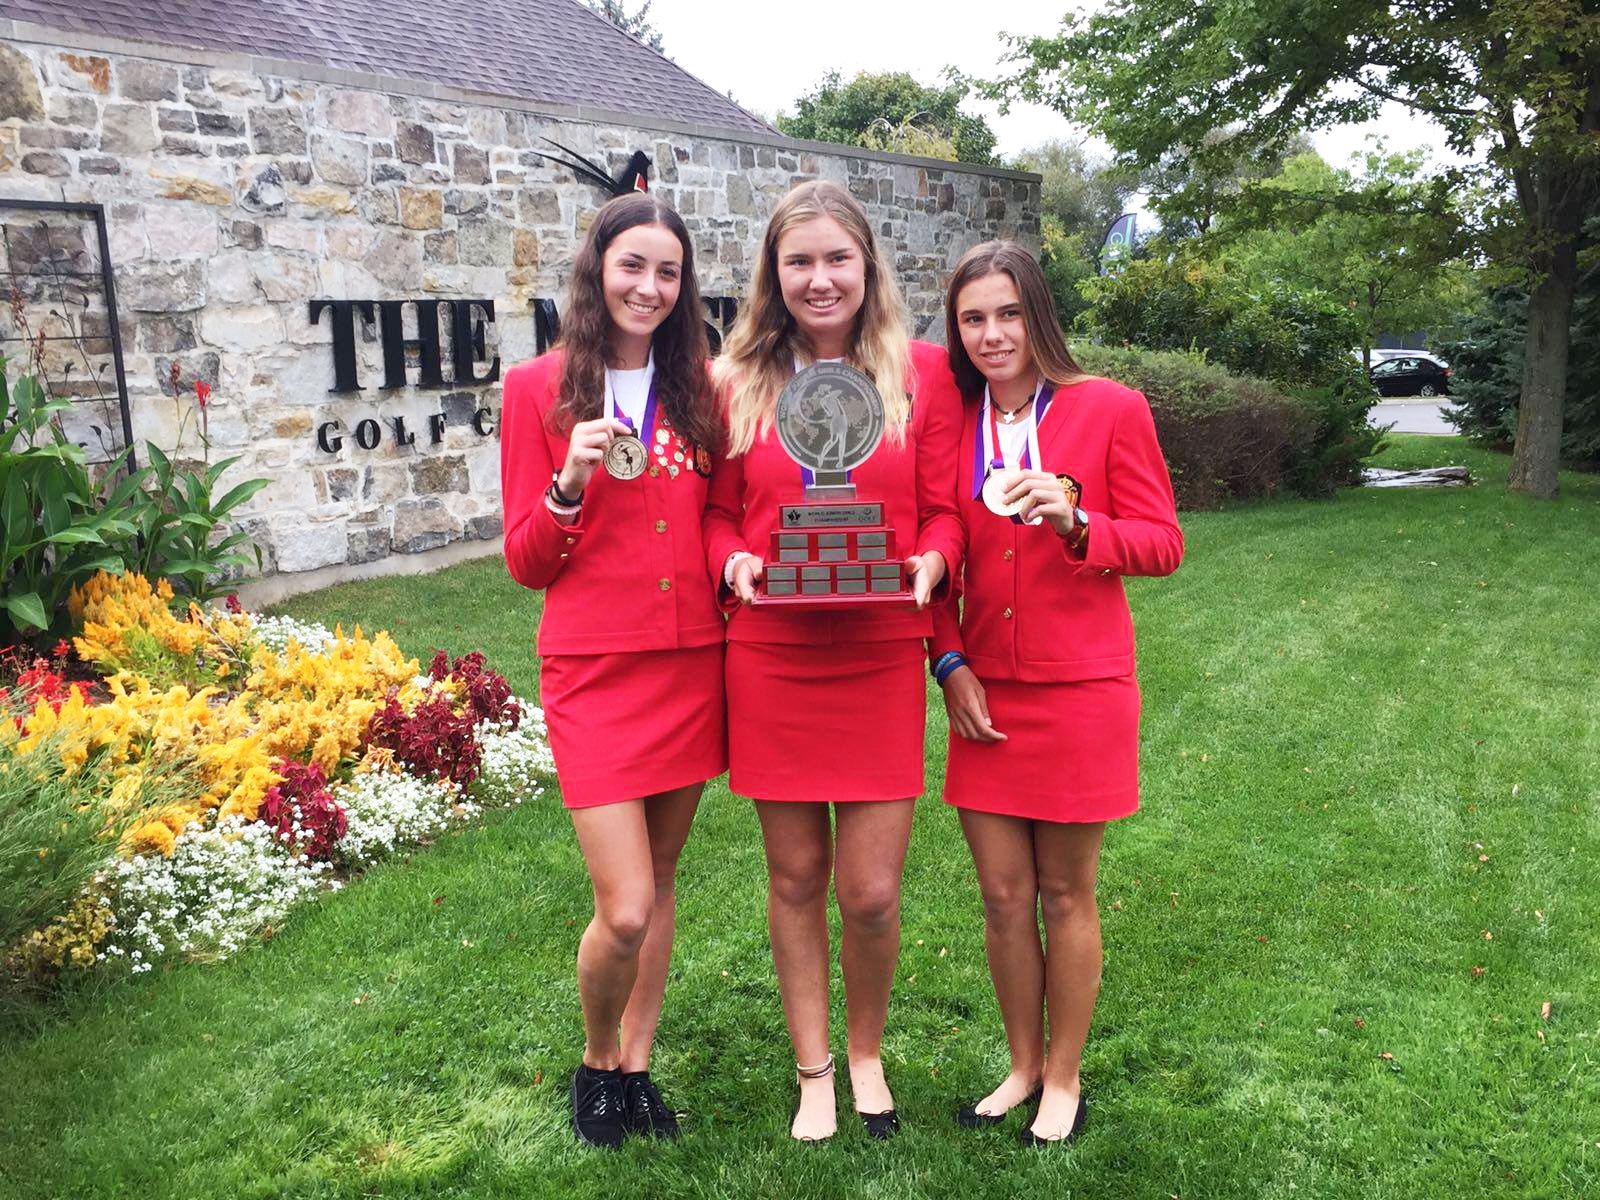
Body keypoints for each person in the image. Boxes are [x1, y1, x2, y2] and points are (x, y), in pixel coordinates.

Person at [704, 180, 963, 1142]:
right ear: (775, 274)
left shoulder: (921, 376)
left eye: (837, 259)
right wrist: (730, 559)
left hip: (880, 647)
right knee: (796, 874)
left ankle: (866, 1052)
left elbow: (941, 505)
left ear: (868, 266)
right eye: (799, 261)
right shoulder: (737, 380)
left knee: (873, 890)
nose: (820, 279)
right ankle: (814, 1067)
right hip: (771, 650)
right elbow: (720, 511)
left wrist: (936, 557)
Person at [931, 240, 1183, 1145]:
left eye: (1007, 314)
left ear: (1038, 313)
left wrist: (1081, 521)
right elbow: (935, 553)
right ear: (956, 332)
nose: (993, 335)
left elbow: (1162, 542)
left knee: (1065, 894)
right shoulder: (950, 422)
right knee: (1002, 898)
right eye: (973, 319)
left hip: (1080, 692)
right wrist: (948, 664)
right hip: (983, 695)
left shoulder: (1109, 409)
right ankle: (1022, 1066)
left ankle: (1065, 1078)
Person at [499, 192, 725, 1149]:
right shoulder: (538, 390)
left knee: (663, 880)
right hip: (595, 671)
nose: (649, 286)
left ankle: (638, 1065)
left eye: (667, 272)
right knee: (624, 906)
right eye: (633, 266)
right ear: (597, 271)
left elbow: (723, 515)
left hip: (691, 664)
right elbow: (525, 561)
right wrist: (569, 481)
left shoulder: (702, 387)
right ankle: (596, 1064)